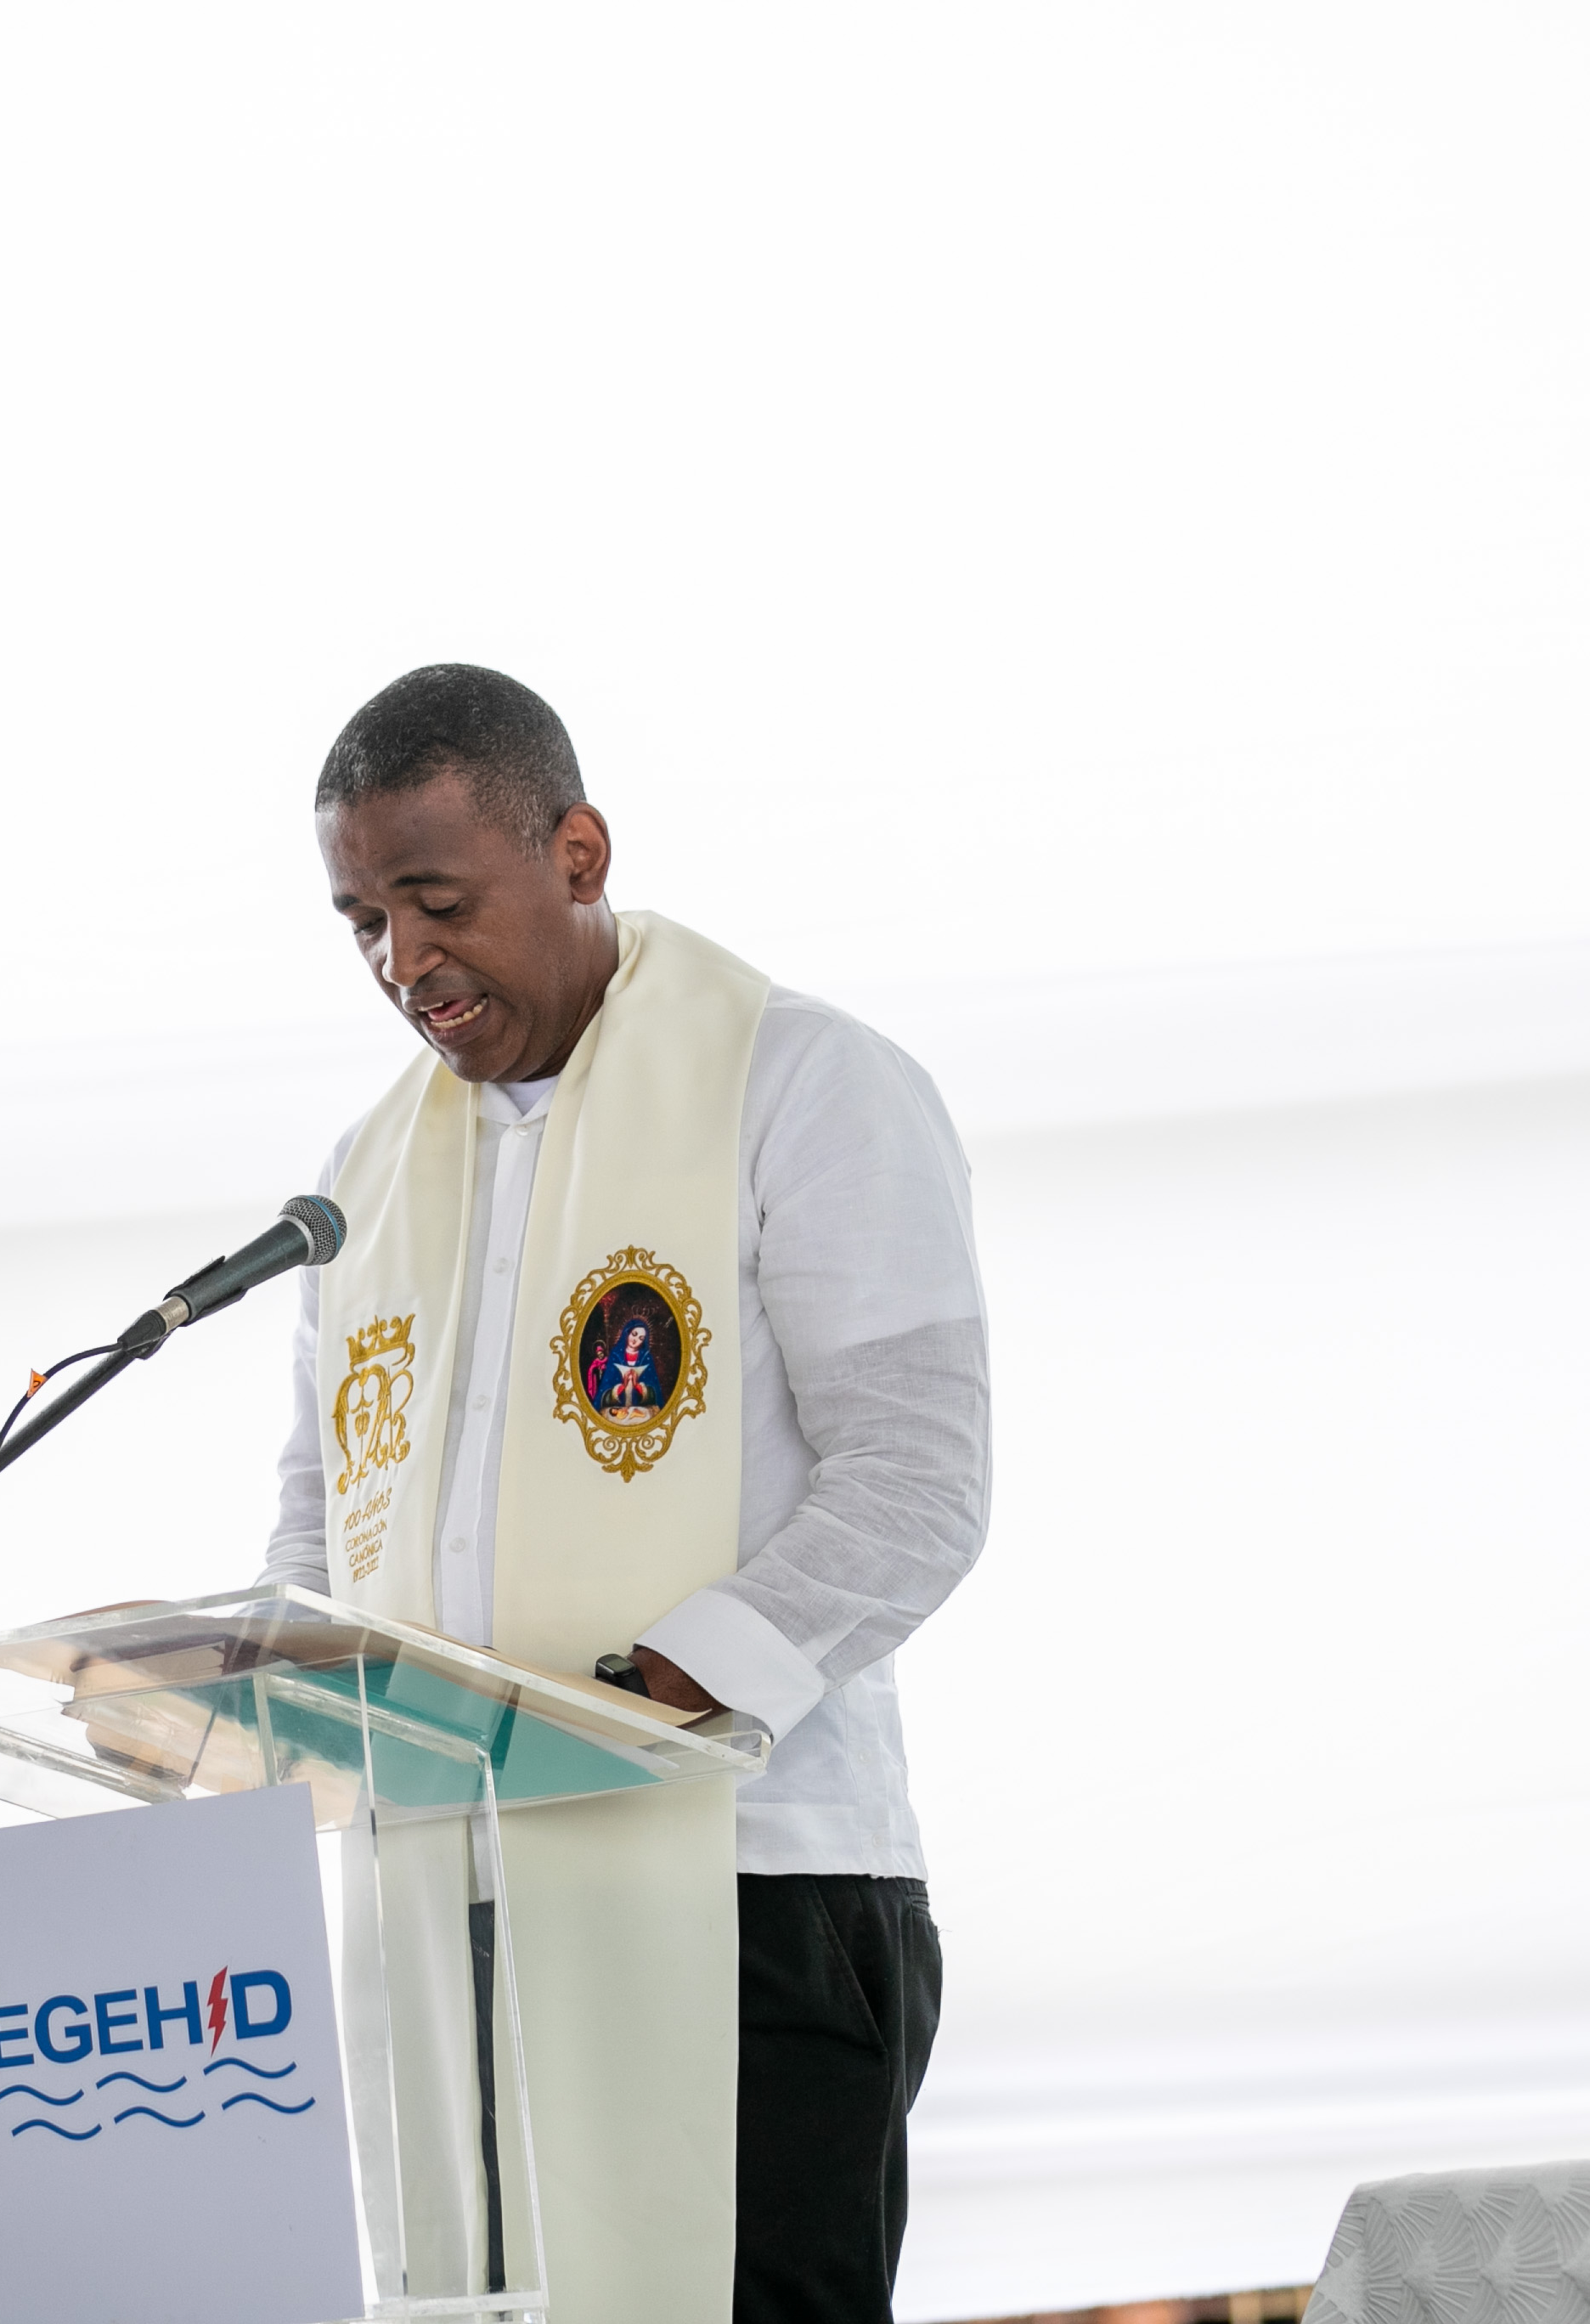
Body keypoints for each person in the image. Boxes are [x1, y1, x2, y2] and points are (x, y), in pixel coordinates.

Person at [261, 663, 990, 2324]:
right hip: (455, 1908)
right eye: (363, 922)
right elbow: (323, 1505)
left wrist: (641, 1700)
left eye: (439, 904)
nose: (403, 964)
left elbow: (918, 1478)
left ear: (577, 854)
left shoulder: (803, 1085)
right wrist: (277, 1679)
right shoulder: (364, 1175)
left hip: (752, 1889)